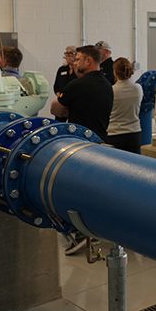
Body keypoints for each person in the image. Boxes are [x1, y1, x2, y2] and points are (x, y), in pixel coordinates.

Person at [50, 45, 113, 256]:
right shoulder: (107, 85)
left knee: (72, 190)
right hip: (99, 143)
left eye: (77, 59)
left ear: (88, 61)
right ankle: (95, 227)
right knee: (93, 189)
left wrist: (65, 107)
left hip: (78, 146)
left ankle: (78, 232)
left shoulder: (77, 85)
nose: (74, 63)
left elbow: (56, 109)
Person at [107, 58, 143, 154]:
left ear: (115, 72)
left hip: (114, 133)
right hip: (134, 133)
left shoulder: (111, 90)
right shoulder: (138, 88)